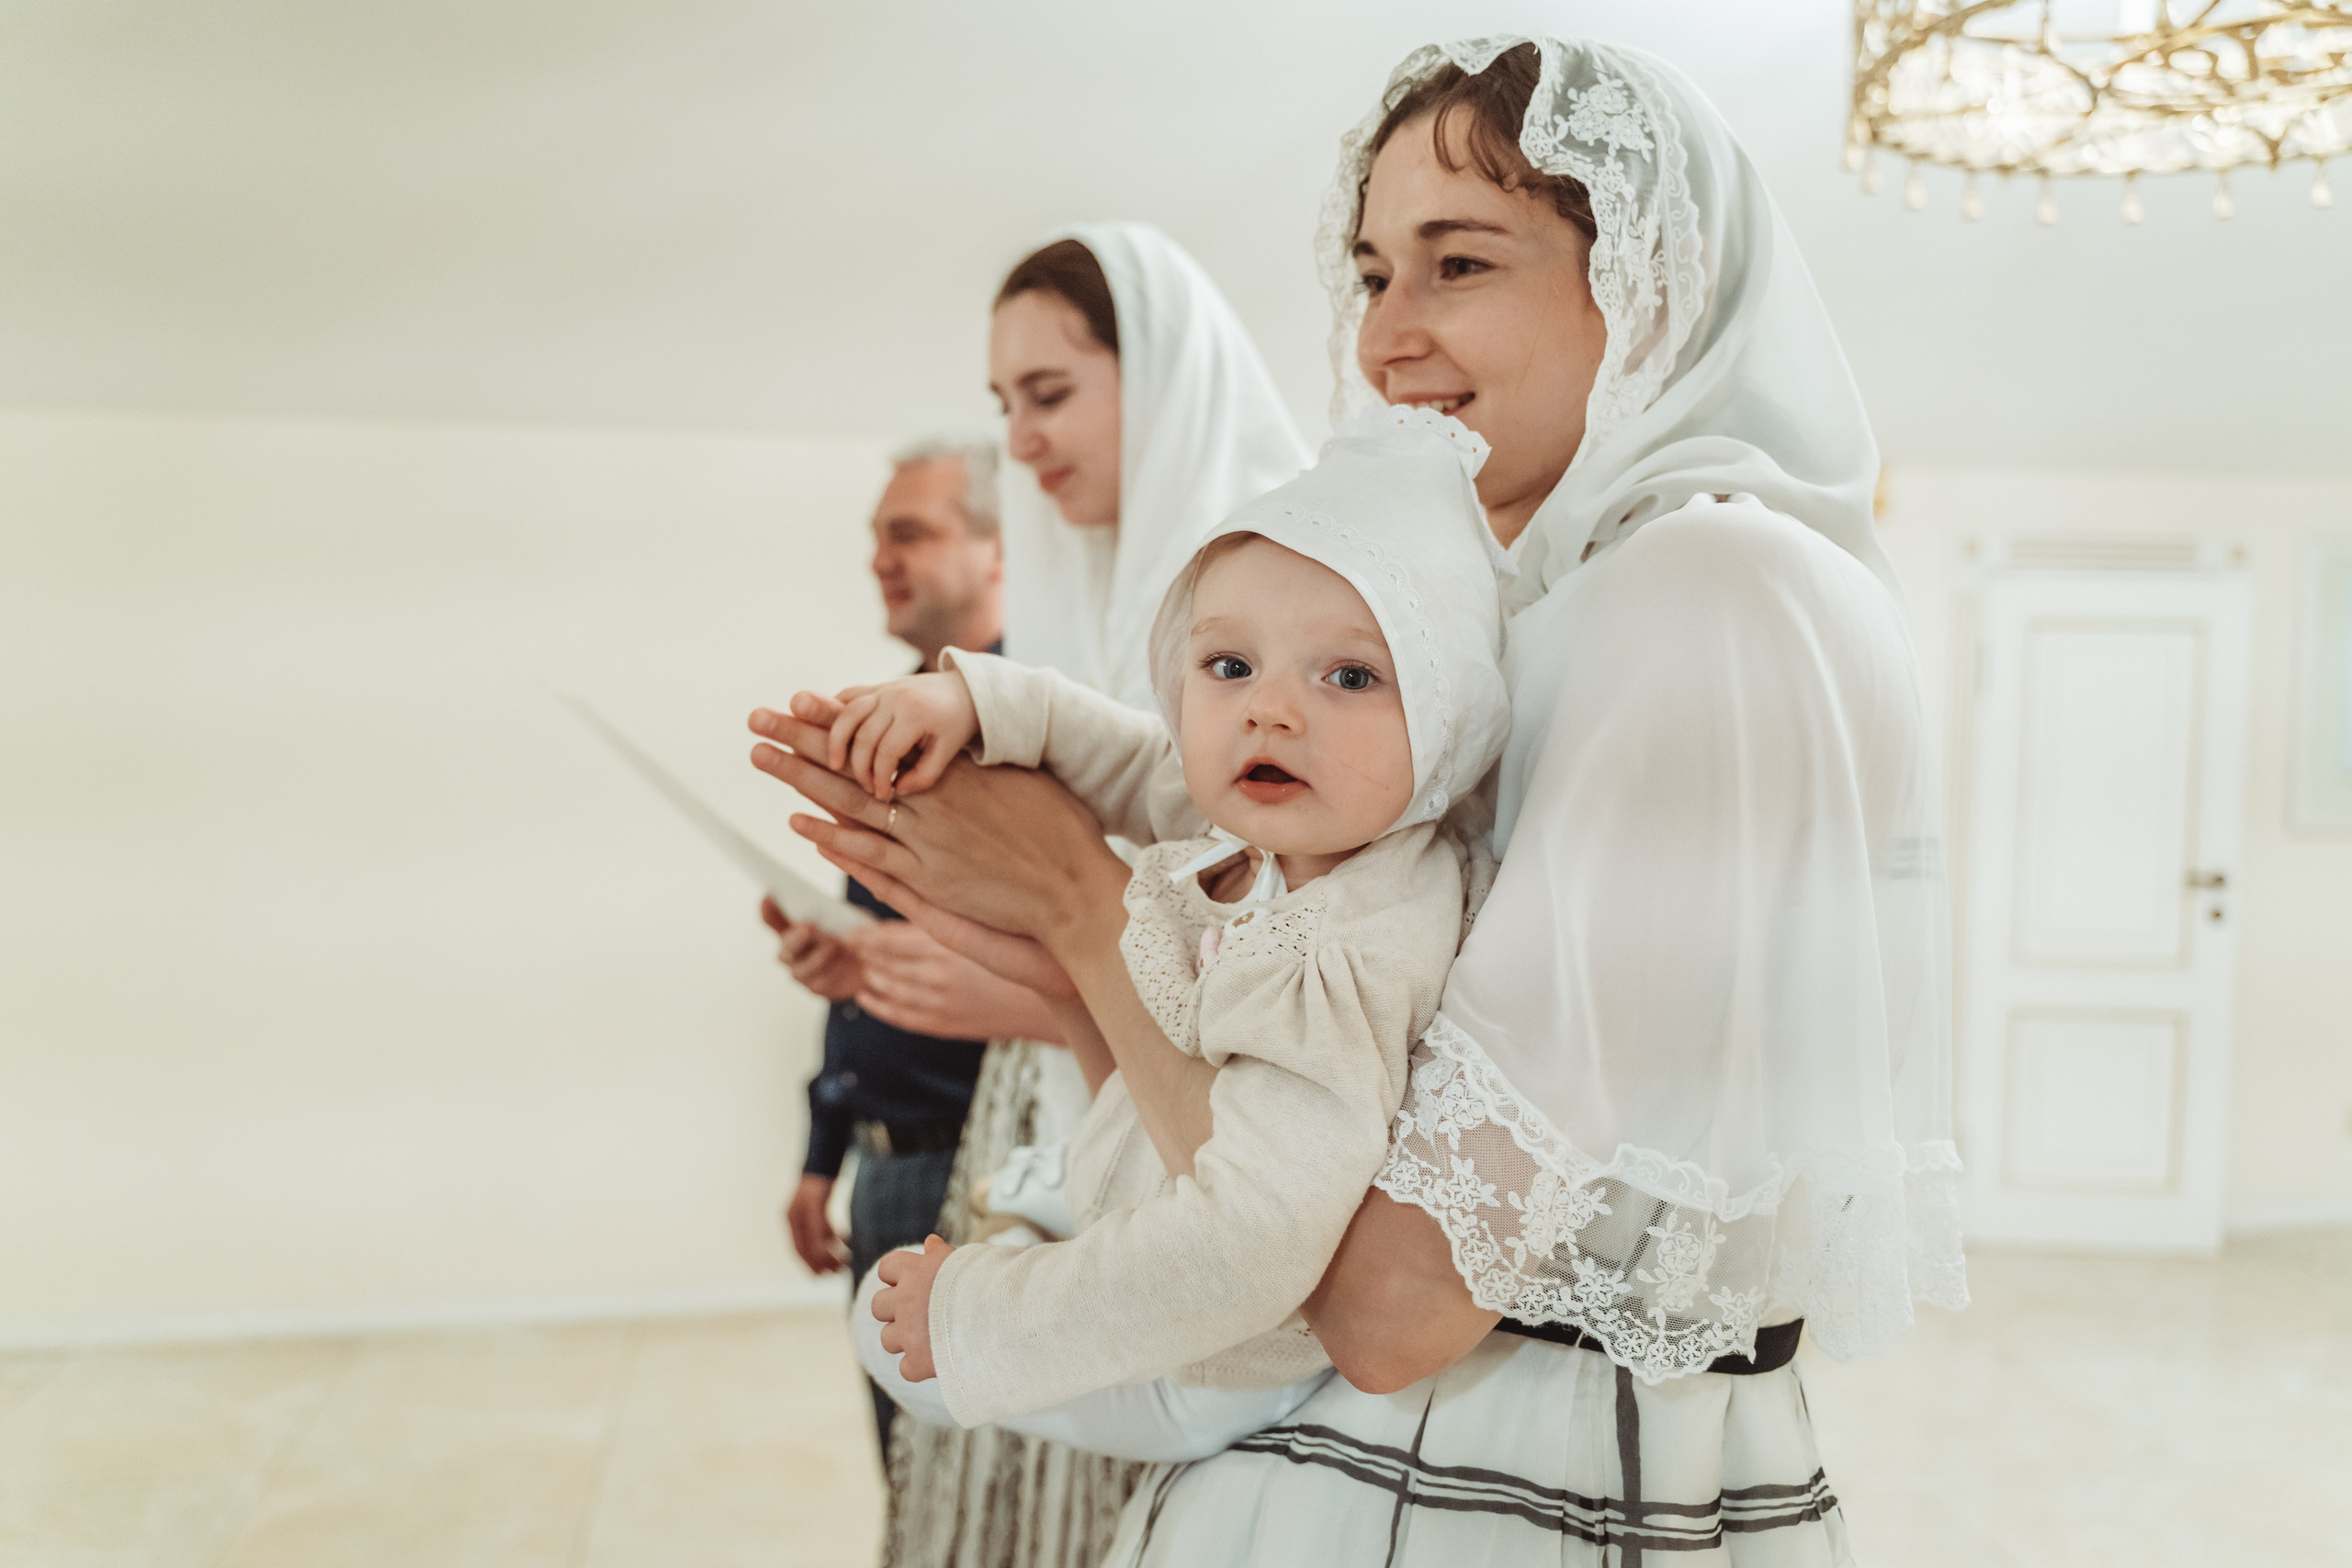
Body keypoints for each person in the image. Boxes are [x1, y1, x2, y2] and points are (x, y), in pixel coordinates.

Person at [752, 37, 1965, 1566]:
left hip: (1511, 1476)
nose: (1387, 336)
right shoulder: (1568, 601)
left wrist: (1076, 900)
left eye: (1456, 263)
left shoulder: (1703, 592)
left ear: (1648, 279)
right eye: (1371, 272)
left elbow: (1391, 1306)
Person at [817, 408, 1510, 1444]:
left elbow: (1249, 1242)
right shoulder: (1313, 826)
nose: (1269, 711)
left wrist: (984, 1313)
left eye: (1350, 676)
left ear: (1453, 718)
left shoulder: (1350, 947)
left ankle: (1031, 1250)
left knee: (895, 1332)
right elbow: (1136, 759)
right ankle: (1064, 1193)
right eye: (1228, 667)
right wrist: (977, 701)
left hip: (1221, 1364)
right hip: (1167, 1236)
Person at [831, 224, 1310, 1568]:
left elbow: (1260, 963)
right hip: (1073, 1122)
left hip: (1225, 1178)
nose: (1023, 439)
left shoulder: (1277, 591)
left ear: (1159, 376)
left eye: (1049, 394)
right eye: (1003, 405)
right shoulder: (1080, 591)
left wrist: (1040, 968)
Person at [764, 437, 1048, 1464]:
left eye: (911, 533)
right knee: (901, 1461)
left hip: (981, 1174)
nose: (882, 558)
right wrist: (822, 1152)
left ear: (998, 549)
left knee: (972, 1475)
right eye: (877, 537)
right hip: (885, 1163)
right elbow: (866, 966)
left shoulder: (1044, 732)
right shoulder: (883, 724)